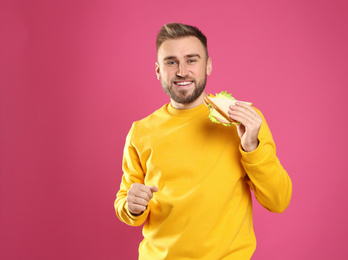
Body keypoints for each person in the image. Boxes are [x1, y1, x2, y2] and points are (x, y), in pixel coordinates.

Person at [115, 23, 292, 260]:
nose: (181, 71)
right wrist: (131, 205)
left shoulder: (242, 120)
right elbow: (125, 202)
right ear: (158, 71)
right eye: (171, 62)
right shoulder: (140, 131)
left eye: (191, 60)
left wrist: (251, 147)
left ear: (208, 66)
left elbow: (278, 200)